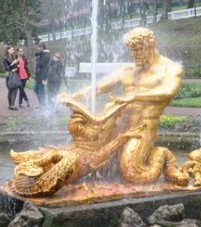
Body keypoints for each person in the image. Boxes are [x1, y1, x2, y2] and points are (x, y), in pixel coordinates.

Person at [72, 27, 183, 183]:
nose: (134, 54)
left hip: (141, 130)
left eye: (138, 50)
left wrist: (134, 96)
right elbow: (99, 87)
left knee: (133, 174)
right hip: (116, 128)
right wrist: (74, 97)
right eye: (132, 51)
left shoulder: (171, 69)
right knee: (100, 167)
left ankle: (162, 154)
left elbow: (168, 91)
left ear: (150, 46)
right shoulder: (127, 70)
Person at [34, 42, 51, 107]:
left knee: (41, 91)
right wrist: (39, 55)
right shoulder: (41, 54)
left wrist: (38, 59)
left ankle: (43, 105)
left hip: (42, 76)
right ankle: (41, 104)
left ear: (41, 47)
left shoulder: (46, 56)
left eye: (38, 47)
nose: (37, 49)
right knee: (36, 89)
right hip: (38, 75)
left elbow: (42, 64)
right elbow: (35, 54)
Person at [3, 45, 20, 110]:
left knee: (13, 88)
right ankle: (11, 105)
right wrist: (12, 64)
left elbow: (14, 67)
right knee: (12, 88)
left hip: (14, 74)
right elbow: (7, 68)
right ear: (8, 50)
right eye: (12, 49)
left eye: (13, 49)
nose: (13, 51)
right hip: (9, 75)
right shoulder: (5, 58)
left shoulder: (13, 57)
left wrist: (16, 67)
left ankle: (11, 105)